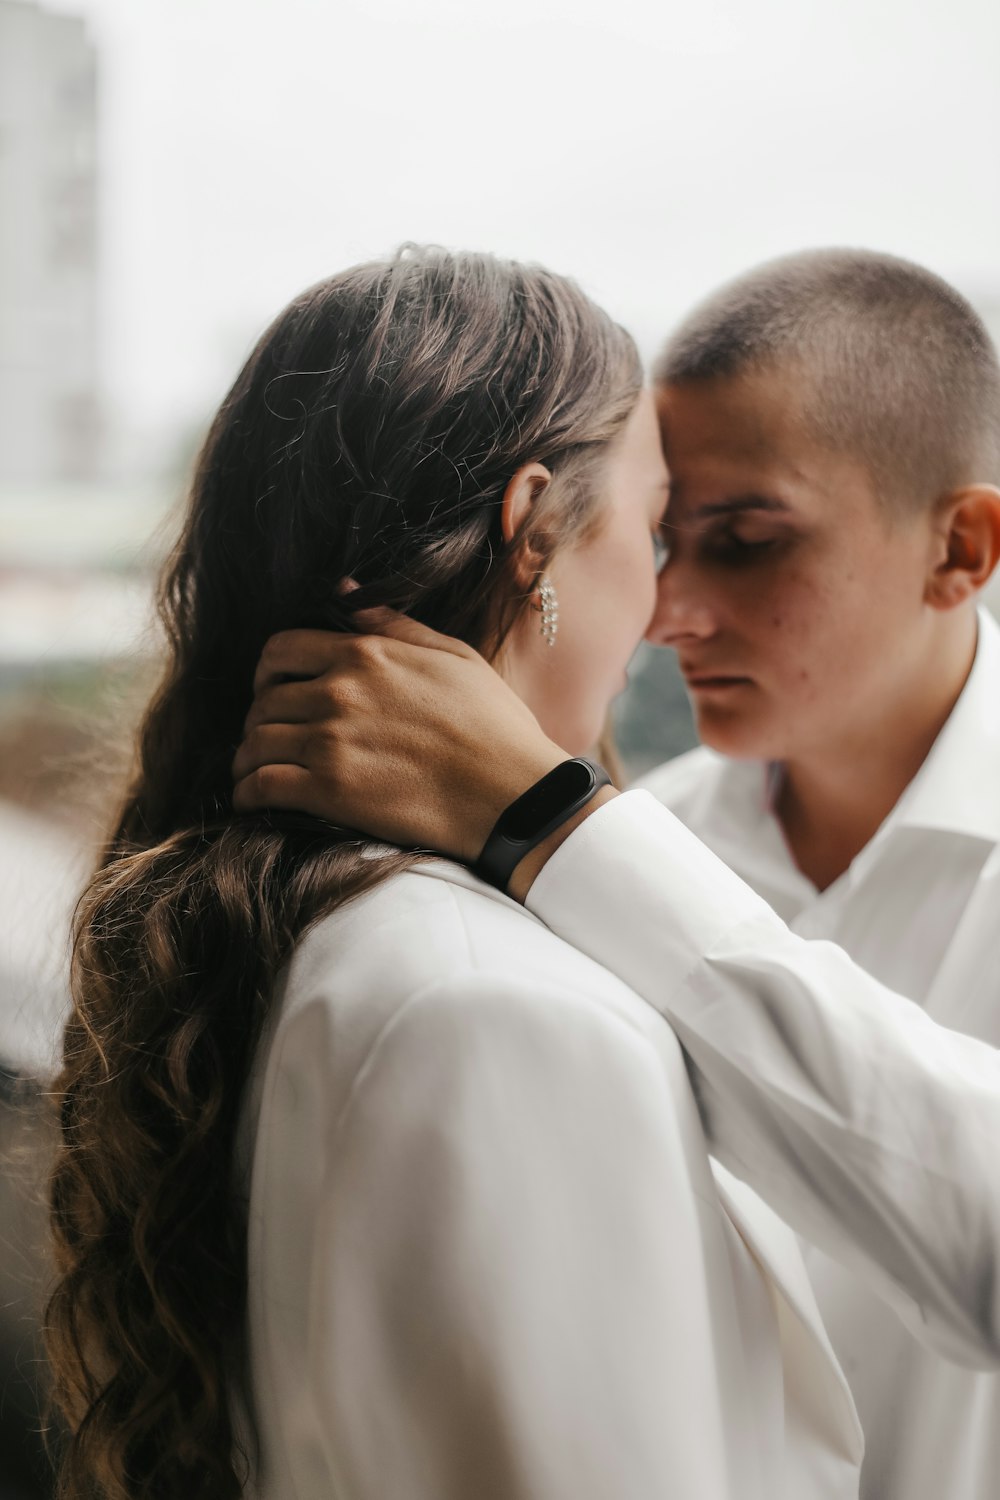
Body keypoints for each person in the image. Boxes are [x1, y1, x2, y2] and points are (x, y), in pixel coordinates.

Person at [45, 247, 876, 1500]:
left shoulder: (298, 926)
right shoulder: (497, 1011)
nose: (662, 609)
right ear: (531, 527)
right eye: (651, 531)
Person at [233, 249, 1000, 1500]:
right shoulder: (618, 857)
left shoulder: (586, 852)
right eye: (657, 533)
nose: (668, 611)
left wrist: (549, 819)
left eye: (746, 542)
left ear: (959, 547)